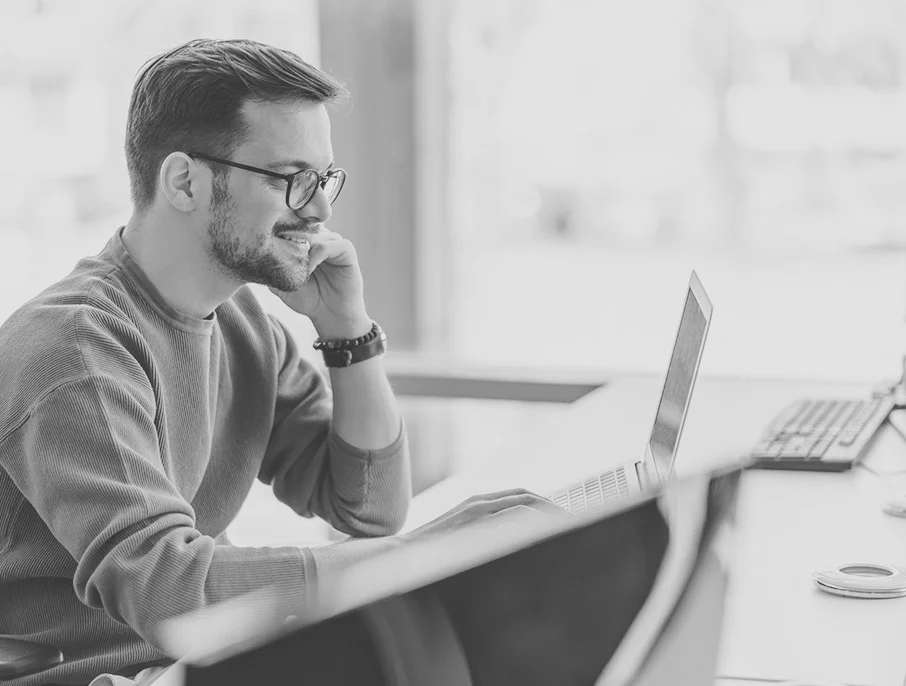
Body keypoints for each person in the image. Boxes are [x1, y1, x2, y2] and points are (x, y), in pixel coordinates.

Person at [0, 38, 560, 686]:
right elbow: (166, 590)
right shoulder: (74, 350)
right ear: (184, 181)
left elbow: (369, 510)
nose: (319, 209)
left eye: (323, 180)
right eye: (292, 178)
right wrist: (411, 561)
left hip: (211, 661)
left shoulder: (242, 325)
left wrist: (347, 330)